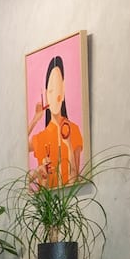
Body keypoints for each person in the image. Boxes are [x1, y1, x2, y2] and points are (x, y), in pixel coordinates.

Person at [26, 55, 84, 189]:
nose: (56, 95)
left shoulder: (73, 130)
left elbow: (74, 182)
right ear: (46, 94)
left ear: (63, 92)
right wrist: (35, 119)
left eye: (59, 88)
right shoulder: (41, 138)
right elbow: (20, 147)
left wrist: (68, 145)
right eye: (51, 90)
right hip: (45, 204)